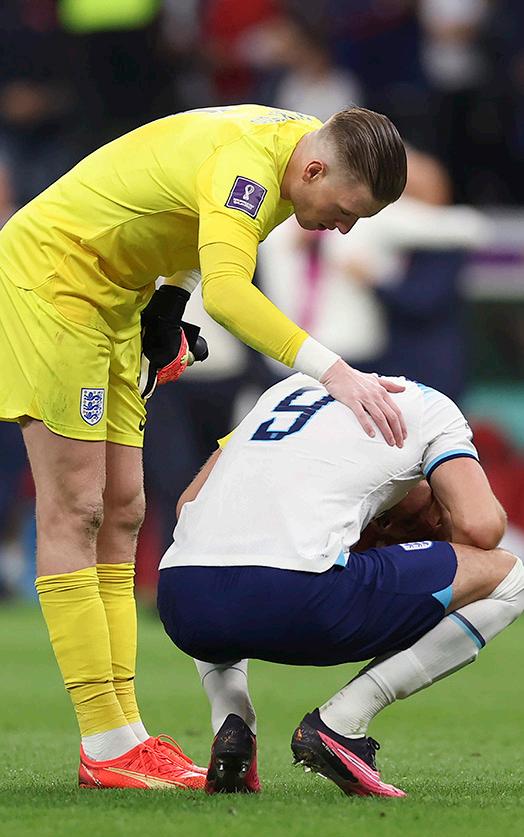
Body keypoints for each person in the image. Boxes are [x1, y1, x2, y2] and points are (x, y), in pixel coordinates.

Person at [0, 103, 407, 790]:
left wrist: (167, 304)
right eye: (346, 211)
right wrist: (335, 373)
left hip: (119, 296)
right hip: (56, 284)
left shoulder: (294, 162)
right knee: (76, 507)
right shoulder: (250, 166)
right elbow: (228, 292)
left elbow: (200, 225)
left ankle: (127, 736)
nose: (344, 228)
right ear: (315, 171)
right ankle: (104, 740)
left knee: (125, 509)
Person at [157, 373, 524, 798]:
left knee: (215, 547)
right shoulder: (432, 407)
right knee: (510, 576)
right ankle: (342, 724)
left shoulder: (285, 389)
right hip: (298, 599)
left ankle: (231, 726)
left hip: (183, 602)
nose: (392, 533)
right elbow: (480, 527)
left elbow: (189, 505)